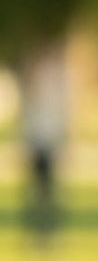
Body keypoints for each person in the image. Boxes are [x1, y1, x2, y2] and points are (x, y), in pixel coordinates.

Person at [17, 39, 70, 248]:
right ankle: (36, 234)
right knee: (35, 191)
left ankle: (48, 234)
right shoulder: (33, 88)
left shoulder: (57, 83)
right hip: (36, 143)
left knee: (49, 192)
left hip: (49, 142)